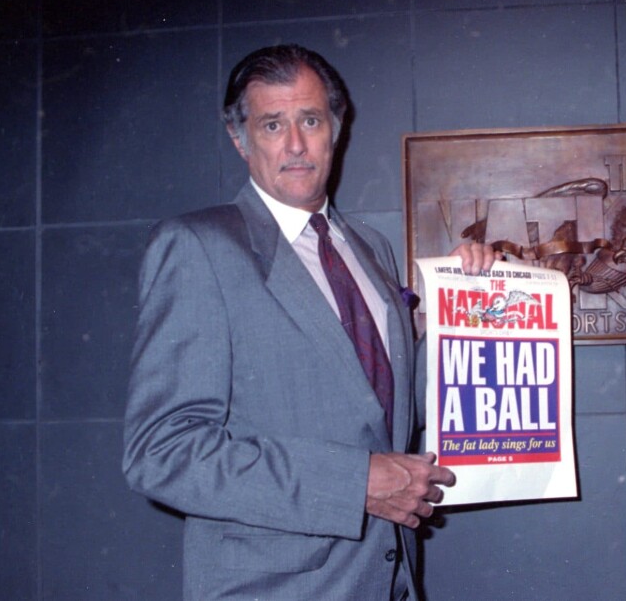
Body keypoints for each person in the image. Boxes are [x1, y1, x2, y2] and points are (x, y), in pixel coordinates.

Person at [122, 44, 495, 600]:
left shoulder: (371, 249)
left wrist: (472, 307)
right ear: (239, 138)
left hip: (388, 582)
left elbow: (385, 404)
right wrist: (354, 483)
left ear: (336, 130)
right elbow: (162, 452)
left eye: (310, 120)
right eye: (272, 124)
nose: (295, 144)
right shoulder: (199, 247)